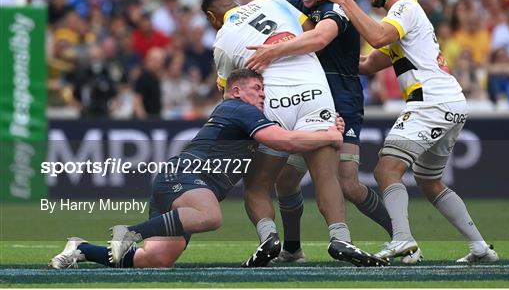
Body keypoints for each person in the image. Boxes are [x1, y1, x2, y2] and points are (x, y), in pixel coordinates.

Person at [49, 69, 345, 269]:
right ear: (236, 91)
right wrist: (330, 136)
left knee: (158, 259)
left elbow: (285, 141)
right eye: (257, 88)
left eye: (264, 89)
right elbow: (284, 140)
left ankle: (83, 249)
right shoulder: (238, 108)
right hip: (185, 176)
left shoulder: (247, 115)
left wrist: (324, 128)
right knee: (211, 216)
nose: (263, 94)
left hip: (179, 186)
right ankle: (129, 231)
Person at [320, 0, 499, 263]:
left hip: (430, 103)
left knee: (386, 170)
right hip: (449, 102)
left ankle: (403, 240)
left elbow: (376, 36)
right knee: (430, 181)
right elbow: (365, 64)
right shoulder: (403, 23)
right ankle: (480, 248)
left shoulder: (405, 7)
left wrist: (344, 0)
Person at [202, 0, 386, 267]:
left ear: (213, 17)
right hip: (316, 90)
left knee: (257, 185)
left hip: (274, 98)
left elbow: (233, 94)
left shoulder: (223, 40)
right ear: (236, 1)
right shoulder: (275, 3)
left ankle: (269, 237)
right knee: (326, 176)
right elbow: (312, 31)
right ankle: (340, 238)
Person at [245, 0, 393, 263]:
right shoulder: (297, 6)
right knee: (285, 181)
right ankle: (293, 249)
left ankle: (402, 237)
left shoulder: (335, 6)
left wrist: (272, 52)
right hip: (309, 102)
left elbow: (321, 38)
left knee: (349, 183)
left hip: (343, 101)